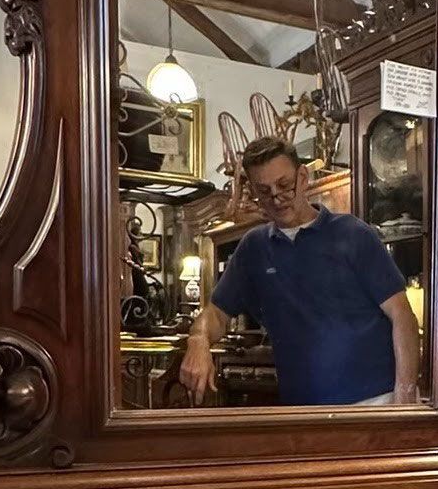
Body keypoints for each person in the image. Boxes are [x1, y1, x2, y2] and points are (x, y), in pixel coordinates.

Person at [180, 137, 421, 408]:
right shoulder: (254, 249)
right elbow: (216, 313)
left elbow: (402, 317)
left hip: (375, 402)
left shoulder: (353, 234)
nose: (277, 198)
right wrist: (198, 339)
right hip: (303, 410)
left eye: (284, 186)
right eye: (265, 191)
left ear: (303, 177)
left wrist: (405, 397)